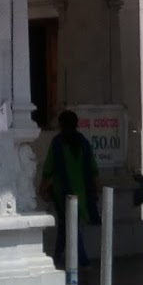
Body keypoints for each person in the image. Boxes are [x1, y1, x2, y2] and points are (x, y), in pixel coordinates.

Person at [40, 109, 99, 266]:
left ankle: (80, 260)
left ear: (61, 124)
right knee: (69, 226)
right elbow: (93, 170)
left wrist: (43, 188)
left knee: (69, 226)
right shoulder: (83, 143)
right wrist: (94, 190)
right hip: (82, 192)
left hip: (63, 193)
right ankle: (58, 257)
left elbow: (48, 169)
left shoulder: (58, 143)